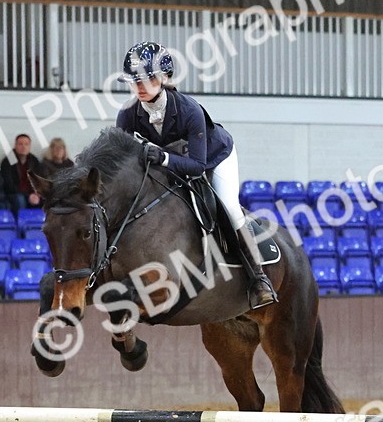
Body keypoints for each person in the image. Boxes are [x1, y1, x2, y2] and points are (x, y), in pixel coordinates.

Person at [115, 41, 276, 308]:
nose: (139, 87)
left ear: (165, 78)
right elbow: (122, 160)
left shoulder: (189, 110)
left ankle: (258, 278)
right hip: (170, 164)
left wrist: (163, 158)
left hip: (213, 158)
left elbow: (197, 166)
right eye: (134, 81)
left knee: (230, 208)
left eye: (147, 79)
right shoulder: (128, 114)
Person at [0, 133, 43, 208]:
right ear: (15, 145)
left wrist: (35, 193)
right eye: (20, 144)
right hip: (14, 194)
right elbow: (8, 184)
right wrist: (27, 195)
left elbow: (39, 180)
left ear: (30, 146)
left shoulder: (34, 160)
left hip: (31, 194)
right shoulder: (8, 160)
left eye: (26, 144)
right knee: (20, 199)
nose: (23, 147)